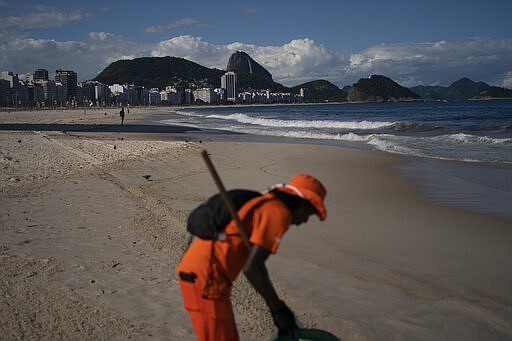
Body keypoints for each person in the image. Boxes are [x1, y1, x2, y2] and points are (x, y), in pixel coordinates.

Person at [177, 174, 327, 341]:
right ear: (302, 205)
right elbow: (252, 268)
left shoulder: (266, 204)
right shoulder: (278, 213)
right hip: (206, 280)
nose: (305, 220)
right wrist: (277, 309)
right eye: (310, 214)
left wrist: (278, 309)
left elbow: (256, 264)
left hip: (208, 278)